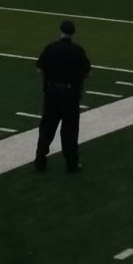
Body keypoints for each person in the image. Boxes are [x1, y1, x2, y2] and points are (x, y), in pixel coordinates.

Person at [35, 20, 91, 173]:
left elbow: (40, 70)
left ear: (60, 30)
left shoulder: (51, 48)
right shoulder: (77, 50)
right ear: (73, 33)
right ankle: (71, 164)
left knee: (47, 128)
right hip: (70, 94)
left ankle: (40, 161)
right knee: (70, 130)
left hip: (52, 93)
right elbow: (86, 72)